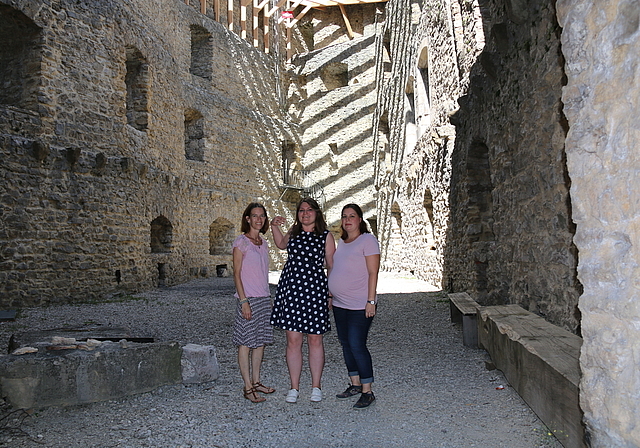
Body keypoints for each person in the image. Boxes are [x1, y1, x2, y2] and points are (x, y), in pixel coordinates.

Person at [270, 198, 336, 403]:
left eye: (309, 210)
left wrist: (330, 293)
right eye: (301, 210)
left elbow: (332, 266)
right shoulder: (294, 232)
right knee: (293, 340)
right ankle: (294, 387)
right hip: (291, 290)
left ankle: (316, 386)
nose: (305, 213)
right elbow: (281, 244)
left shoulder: (326, 236)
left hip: (315, 290)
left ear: (317, 213)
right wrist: (274, 226)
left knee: (315, 339)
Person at [328, 203, 380, 409]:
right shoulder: (342, 242)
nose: (347, 220)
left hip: (360, 304)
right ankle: (355, 384)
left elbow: (373, 273)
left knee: (357, 344)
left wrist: (371, 301)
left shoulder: (368, 240)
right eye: (344, 216)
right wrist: (331, 294)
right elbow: (337, 269)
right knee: (346, 344)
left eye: (352, 216)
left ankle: (368, 391)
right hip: (340, 304)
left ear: (360, 219)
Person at [232, 202, 276, 403]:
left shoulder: (263, 242)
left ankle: (257, 381)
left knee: (259, 342)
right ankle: (248, 387)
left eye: (262, 216)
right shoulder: (241, 242)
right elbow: (237, 274)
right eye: (255, 216)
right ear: (247, 219)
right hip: (247, 299)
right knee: (245, 343)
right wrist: (243, 301)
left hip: (263, 298)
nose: (259, 219)